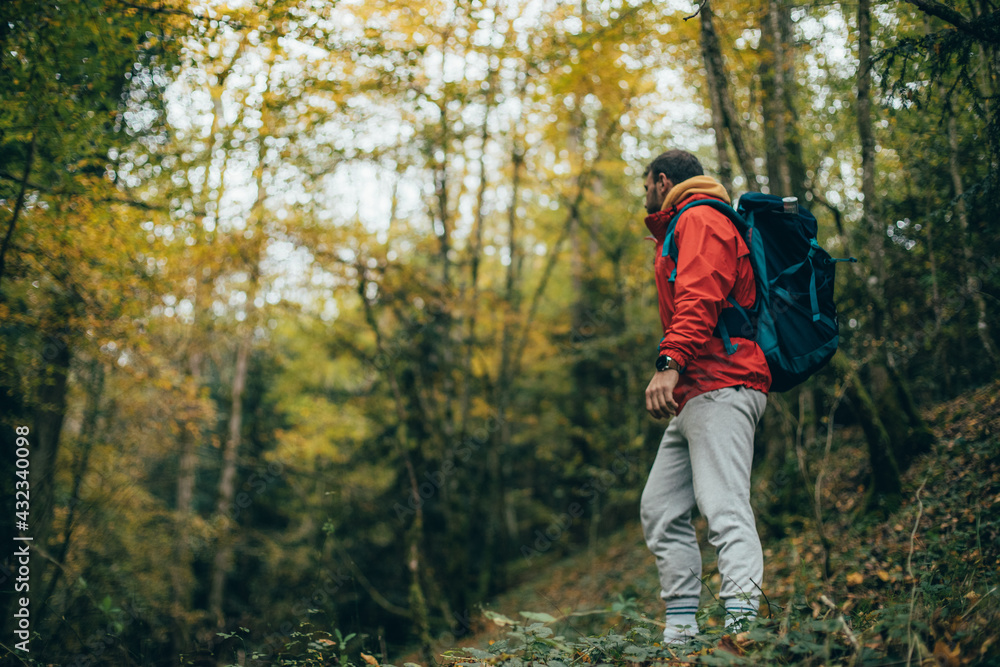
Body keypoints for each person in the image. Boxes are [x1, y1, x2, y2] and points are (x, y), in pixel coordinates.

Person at [638, 149, 771, 644]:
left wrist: (668, 364)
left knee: (725, 508)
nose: (644, 193)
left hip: (723, 382)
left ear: (663, 180)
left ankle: (742, 636)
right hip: (700, 390)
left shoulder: (699, 218)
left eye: (646, 184)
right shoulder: (689, 222)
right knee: (661, 509)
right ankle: (681, 633)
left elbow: (700, 298)